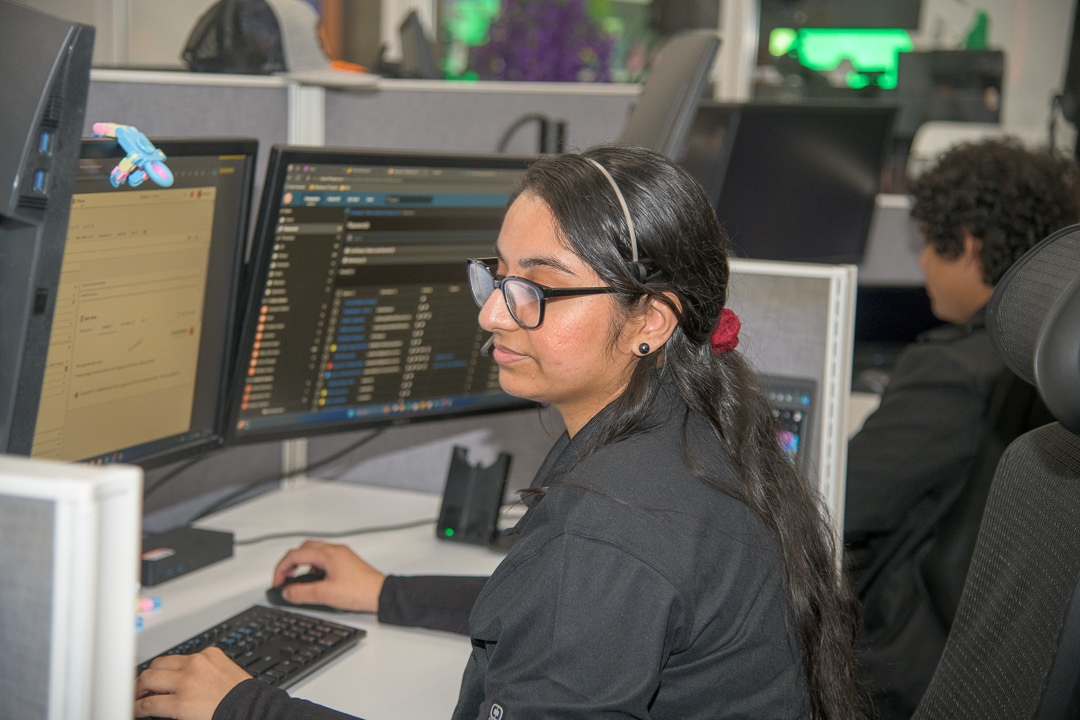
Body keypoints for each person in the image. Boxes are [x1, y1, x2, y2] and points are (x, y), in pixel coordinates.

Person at [135, 145, 863, 720]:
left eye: (538, 288)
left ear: (651, 318)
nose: (492, 314)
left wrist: (246, 707)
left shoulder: (615, 523)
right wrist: (388, 593)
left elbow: (588, 580)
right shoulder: (682, 430)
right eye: (498, 274)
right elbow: (565, 612)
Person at [844, 137, 1080, 719]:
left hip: (903, 669)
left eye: (929, 243)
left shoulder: (950, 369)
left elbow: (842, 502)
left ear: (971, 246)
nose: (922, 261)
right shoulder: (1047, 365)